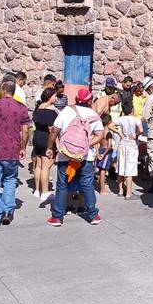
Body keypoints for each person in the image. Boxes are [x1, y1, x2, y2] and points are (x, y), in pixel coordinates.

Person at [45, 88, 104, 226]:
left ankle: (57, 217)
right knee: (87, 184)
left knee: (62, 185)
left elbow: (54, 130)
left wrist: (49, 147)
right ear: (90, 101)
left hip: (66, 154)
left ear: (76, 99)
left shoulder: (66, 111)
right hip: (85, 156)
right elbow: (100, 135)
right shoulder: (93, 114)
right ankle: (93, 215)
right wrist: (85, 144)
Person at [0, 76, 30, 228]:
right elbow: (26, 129)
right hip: (12, 150)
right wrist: (23, 147)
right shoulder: (21, 108)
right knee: (10, 180)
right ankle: (8, 211)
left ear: (2, 90)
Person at [32, 87, 58, 201]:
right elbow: (51, 129)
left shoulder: (37, 109)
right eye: (55, 96)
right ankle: (45, 192)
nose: (56, 98)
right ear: (49, 97)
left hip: (37, 137)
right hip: (46, 139)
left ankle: (37, 190)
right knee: (46, 167)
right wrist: (56, 143)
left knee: (38, 165)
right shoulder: (50, 111)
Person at [116, 98, 142, 199]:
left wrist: (118, 132)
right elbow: (141, 129)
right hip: (131, 144)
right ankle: (129, 193)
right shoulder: (136, 119)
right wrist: (136, 135)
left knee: (121, 166)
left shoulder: (121, 119)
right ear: (132, 109)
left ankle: (120, 190)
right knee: (129, 169)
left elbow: (111, 125)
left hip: (122, 143)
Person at [96, 113, 114, 194]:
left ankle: (101, 187)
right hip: (105, 152)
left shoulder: (100, 131)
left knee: (100, 170)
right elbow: (109, 146)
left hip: (100, 149)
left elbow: (96, 143)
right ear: (109, 122)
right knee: (103, 170)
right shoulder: (108, 133)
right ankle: (102, 190)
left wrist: (97, 153)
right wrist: (104, 154)